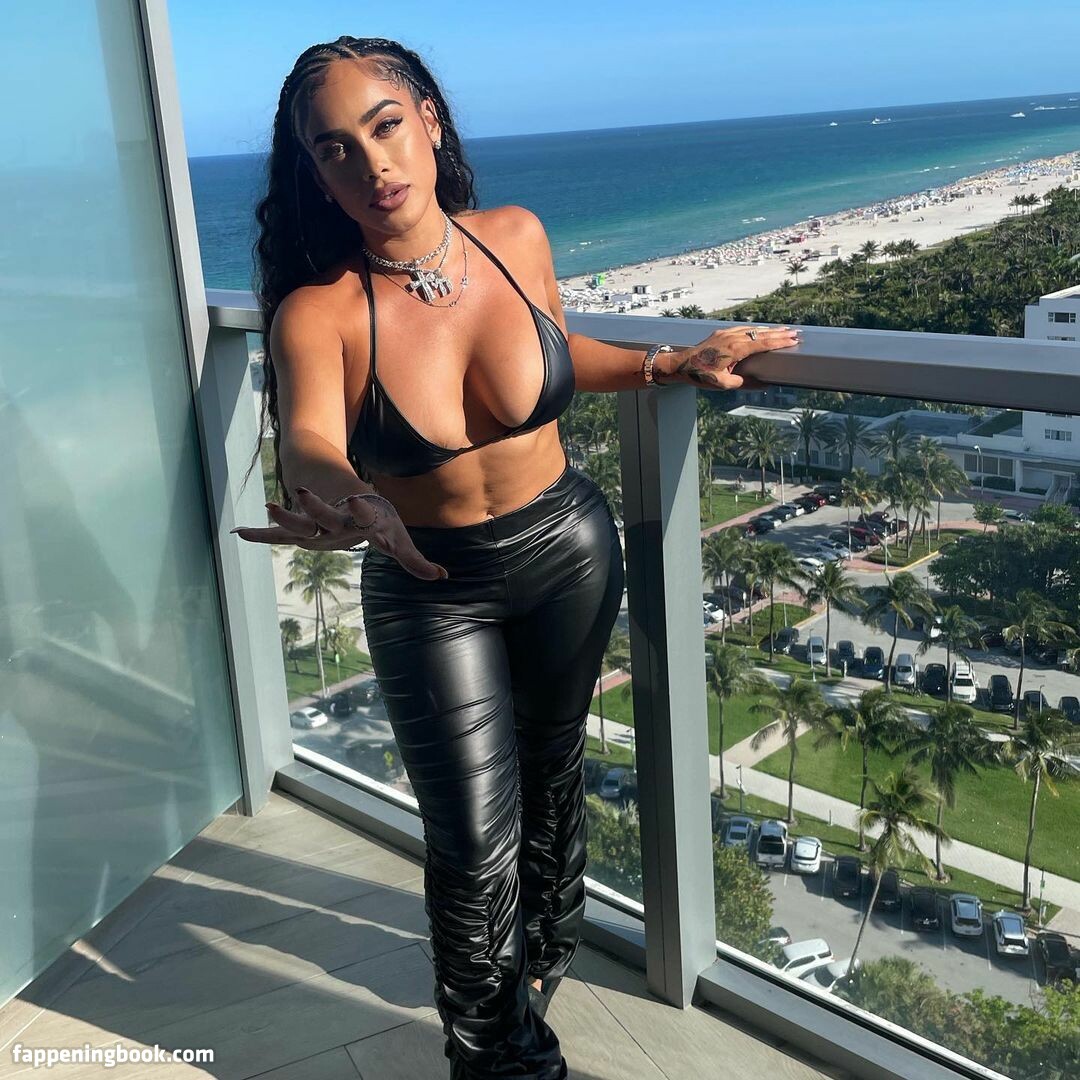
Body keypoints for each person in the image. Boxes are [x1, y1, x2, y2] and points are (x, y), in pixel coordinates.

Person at [232, 35, 800, 1080]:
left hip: (566, 549)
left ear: (427, 121)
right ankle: (503, 1061)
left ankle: (539, 967)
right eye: (335, 149)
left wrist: (671, 361)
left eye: (384, 126)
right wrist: (350, 497)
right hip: (429, 585)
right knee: (470, 845)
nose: (371, 164)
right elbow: (310, 436)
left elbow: (553, 352)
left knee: (552, 772)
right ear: (314, 172)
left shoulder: (515, 238)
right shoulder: (320, 311)